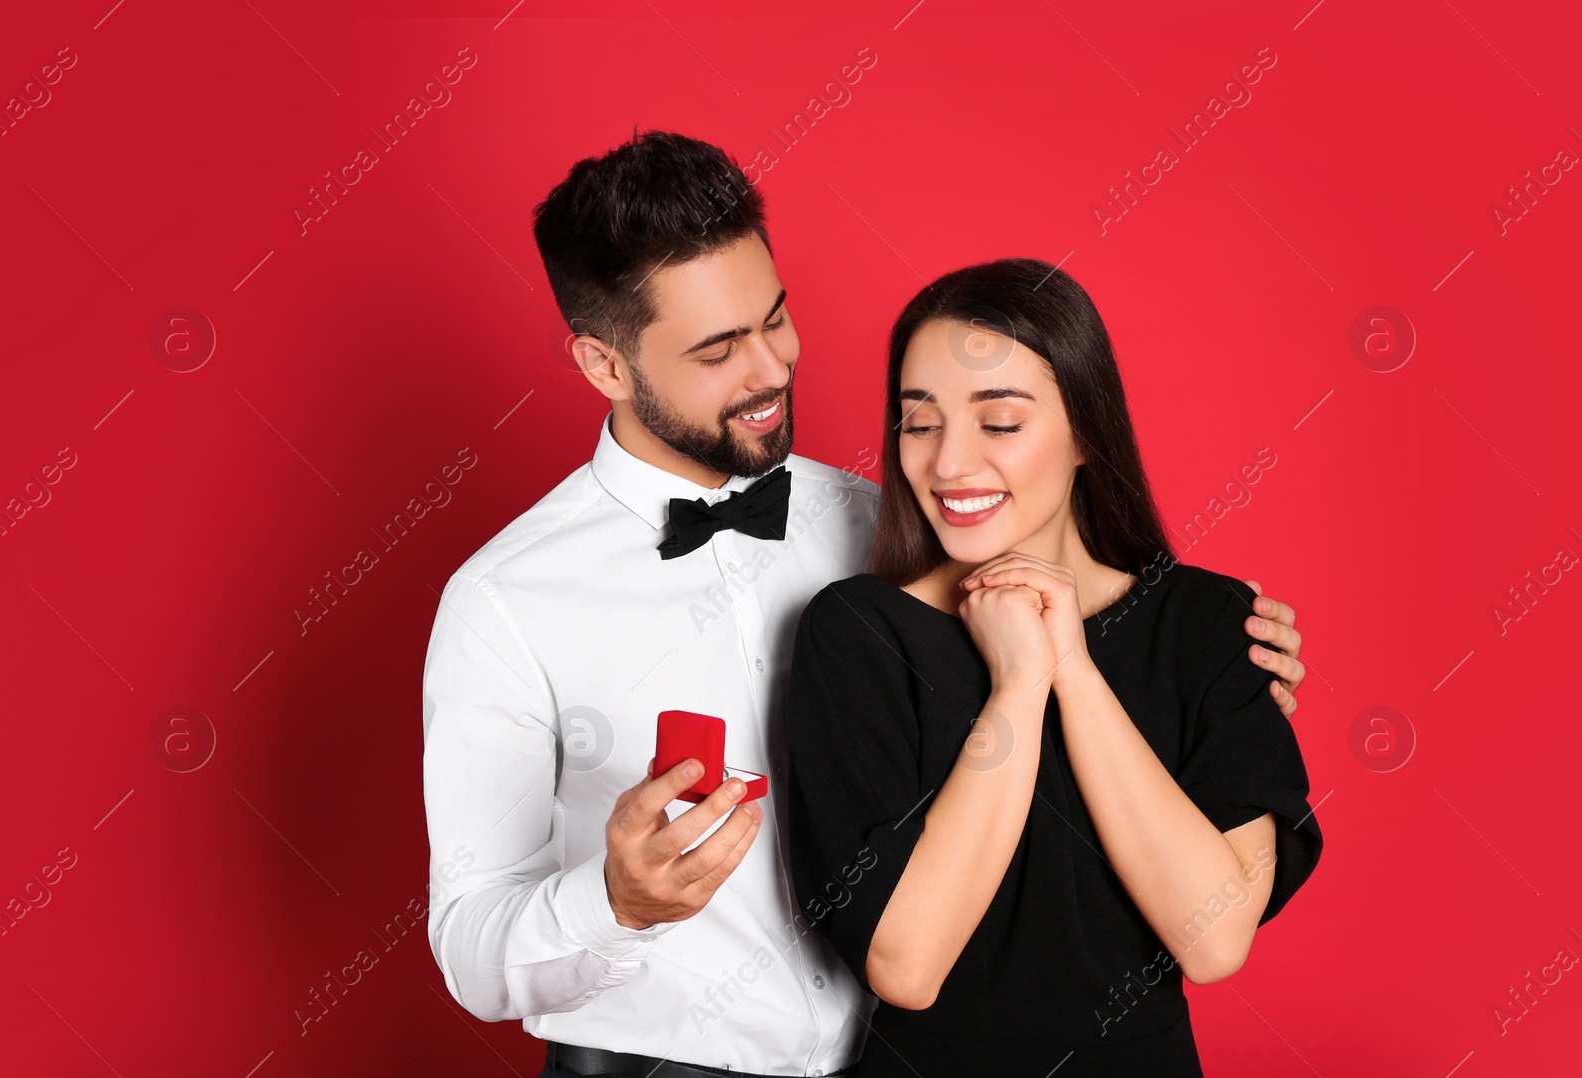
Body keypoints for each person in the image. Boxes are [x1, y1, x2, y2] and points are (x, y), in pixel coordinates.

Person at [421, 131, 1310, 1078]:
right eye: (720, 350)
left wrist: (1221, 648)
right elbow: (473, 949)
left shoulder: (898, 523)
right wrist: (615, 901)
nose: (770, 370)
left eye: (774, 319)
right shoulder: (505, 600)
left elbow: (1093, 590)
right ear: (605, 366)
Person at [783, 257, 1325, 1076]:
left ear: (1086, 436)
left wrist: (1073, 667)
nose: (949, 464)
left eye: (998, 423)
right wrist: (1019, 681)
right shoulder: (860, 632)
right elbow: (908, 964)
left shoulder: (1208, 624)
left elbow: (1213, 939)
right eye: (919, 422)